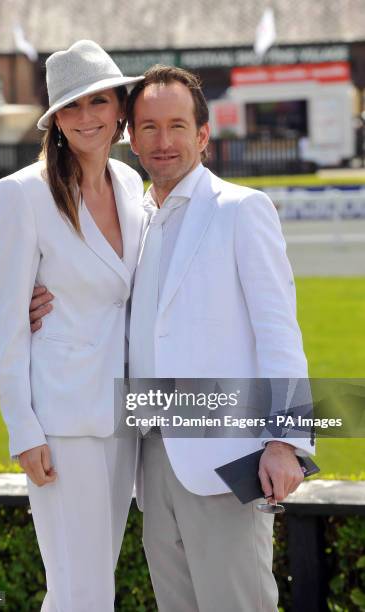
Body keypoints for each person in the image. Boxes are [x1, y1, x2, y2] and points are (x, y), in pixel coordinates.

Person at [30, 65, 314, 611]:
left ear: (203, 135)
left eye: (177, 126)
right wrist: (35, 303)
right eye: (149, 127)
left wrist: (286, 442)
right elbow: (103, 296)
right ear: (130, 138)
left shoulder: (241, 209)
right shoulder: (135, 216)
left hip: (229, 454)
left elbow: (280, 332)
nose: (163, 142)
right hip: (152, 458)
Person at [0, 40, 144, 611]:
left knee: (87, 583)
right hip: (61, 420)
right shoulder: (22, 194)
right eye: (72, 107)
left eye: (98, 102)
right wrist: (22, 430)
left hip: (124, 415)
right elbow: (7, 320)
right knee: (81, 590)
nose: (87, 118)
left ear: (120, 108)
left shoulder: (132, 187)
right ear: (54, 120)